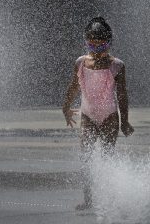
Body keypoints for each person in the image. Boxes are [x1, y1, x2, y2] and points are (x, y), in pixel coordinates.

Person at [62, 17, 134, 210]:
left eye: (101, 45)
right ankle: (89, 200)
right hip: (87, 116)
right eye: (92, 45)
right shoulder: (80, 63)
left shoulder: (117, 65)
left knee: (106, 158)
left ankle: (109, 198)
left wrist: (125, 122)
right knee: (85, 158)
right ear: (86, 42)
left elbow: (122, 95)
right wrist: (65, 107)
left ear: (109, 44)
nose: (97, 50)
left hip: (110, 117)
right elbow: (74, 86)